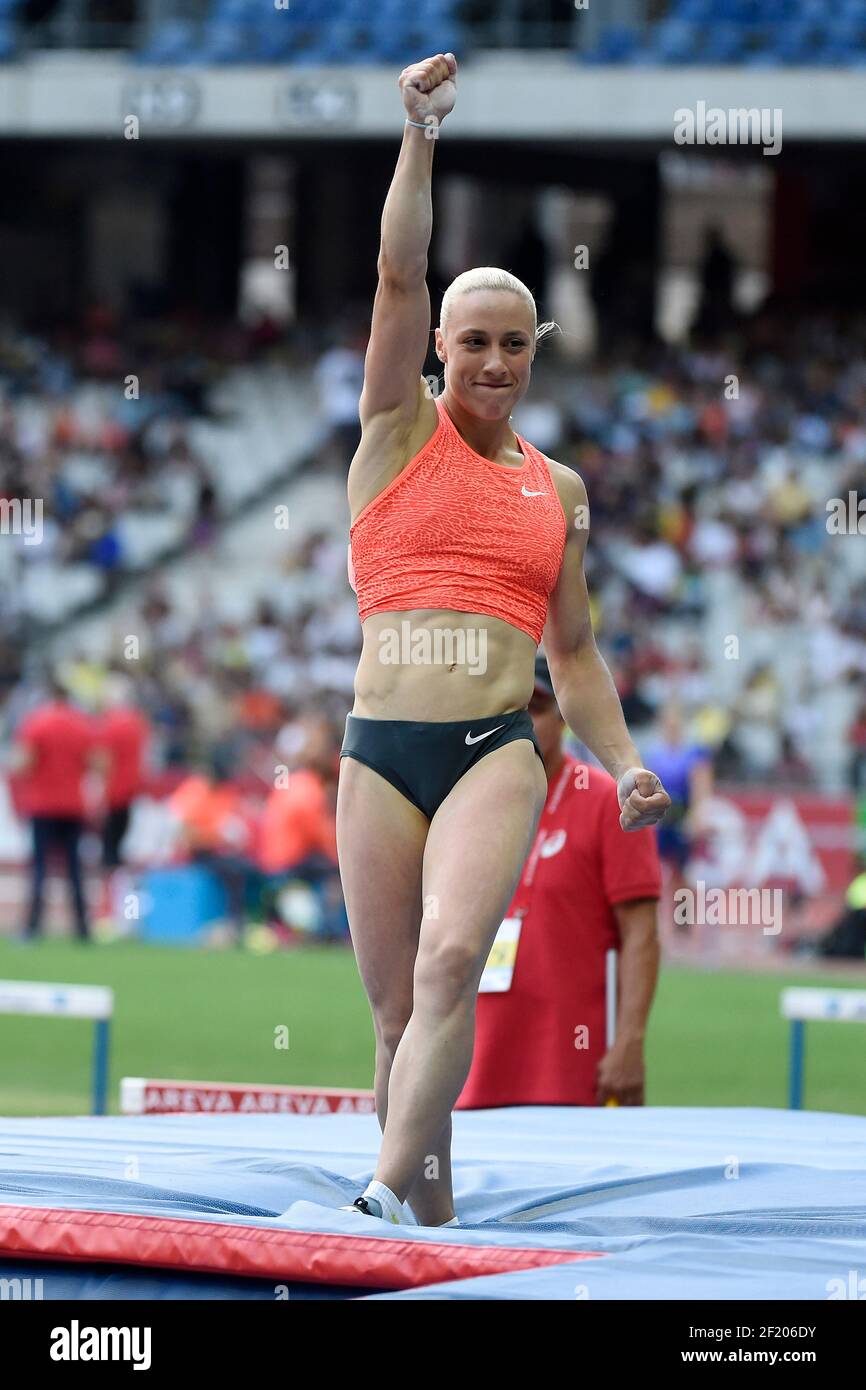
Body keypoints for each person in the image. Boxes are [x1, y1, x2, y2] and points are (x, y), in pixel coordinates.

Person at [337, 52, 671, 1229]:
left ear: (535, 352)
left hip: (491, 748)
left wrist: (622, 757)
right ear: (435, 344)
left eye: (513, 343)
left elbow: (571, 654)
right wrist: (420, 138)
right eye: (470, 339)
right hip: (376, 750)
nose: (490, 361)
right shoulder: (391, 432)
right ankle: (418, 1216)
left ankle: (375, 1187)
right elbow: (394, 266)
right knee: (390, 1016)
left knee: (445, 968)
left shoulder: (560, 489)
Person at [456, 655, 661, 1109]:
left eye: (539, 705)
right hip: (471, 1065)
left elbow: (641, 935)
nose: (525, 719)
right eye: (513, 706)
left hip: (572, 1070)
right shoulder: (465, 805)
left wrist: (630, 1042)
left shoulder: (608, 802)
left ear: (565, 717)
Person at [11, 675, 100, 941]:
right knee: (74, 869)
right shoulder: (82, 725)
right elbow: (98, 763)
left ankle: (32, 927)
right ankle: (82, 929)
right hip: (73, 805)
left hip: (43, 805)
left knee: (40, 867)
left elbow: (23, 762)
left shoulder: (37, 723)